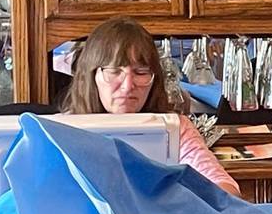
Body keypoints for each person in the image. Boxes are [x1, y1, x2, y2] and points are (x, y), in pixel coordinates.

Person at [62, 16, 241, 196]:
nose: (127, 85)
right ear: (91, 75)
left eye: (141, 72)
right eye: (115, 71)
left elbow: (226, 192)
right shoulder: (61, 130)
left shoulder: (174, 128)